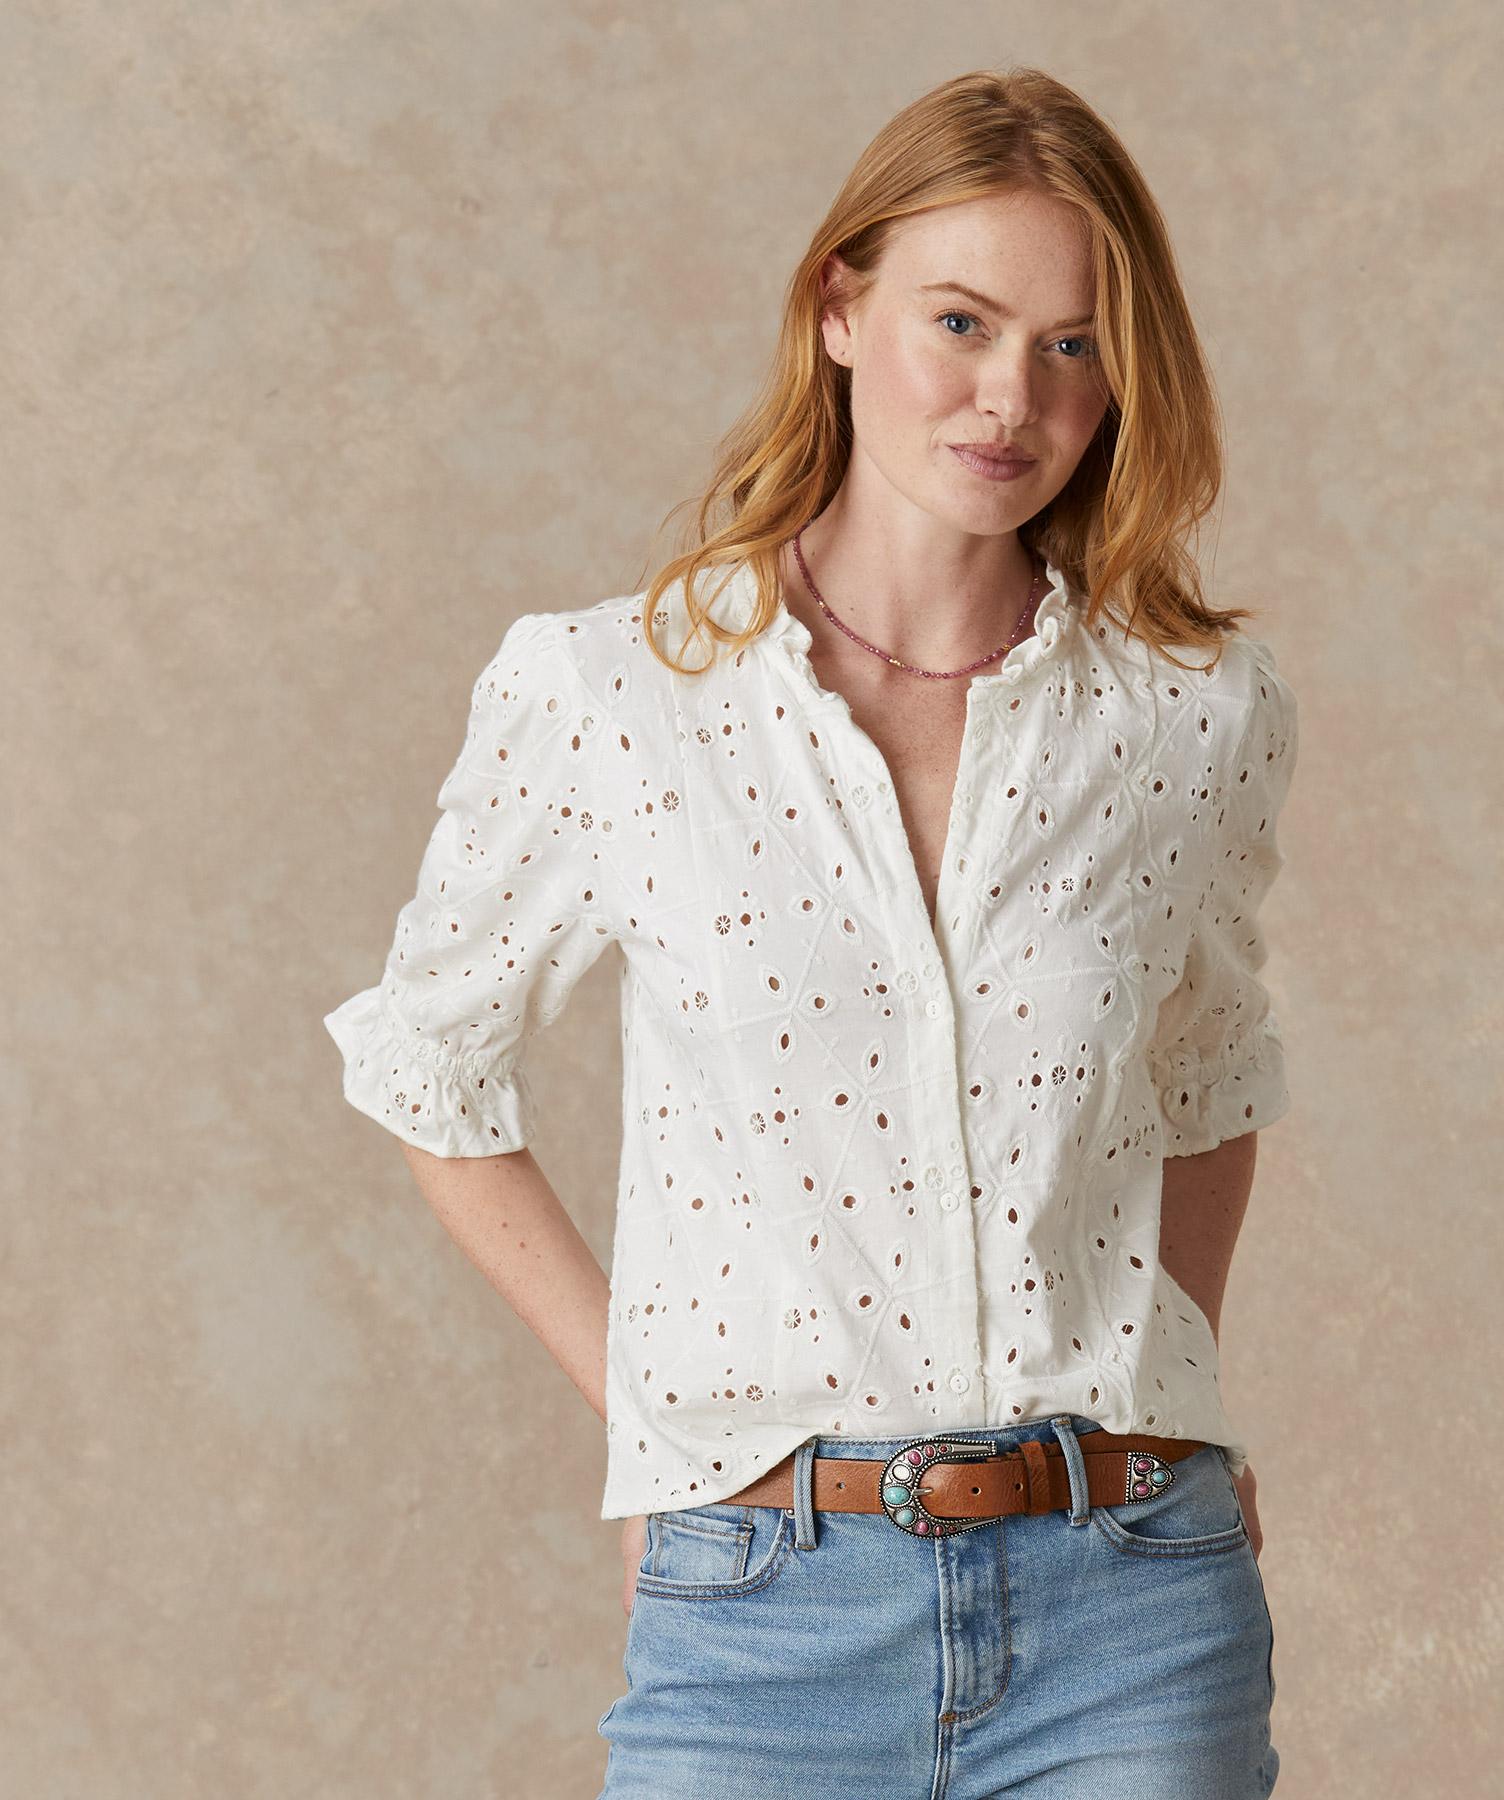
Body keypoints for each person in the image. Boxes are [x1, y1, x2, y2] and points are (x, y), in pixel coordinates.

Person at [324, 65, 1296, 1800]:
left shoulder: (1187, 712)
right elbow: (428, 1069)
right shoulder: (615, 695)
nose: (1011, 396)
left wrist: (1175, 1384)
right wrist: (657, 1432)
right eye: (961, 321)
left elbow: (1211, 1084)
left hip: (1133, 1604)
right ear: (840, 309)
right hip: (764, 1611)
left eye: (1073, 345)